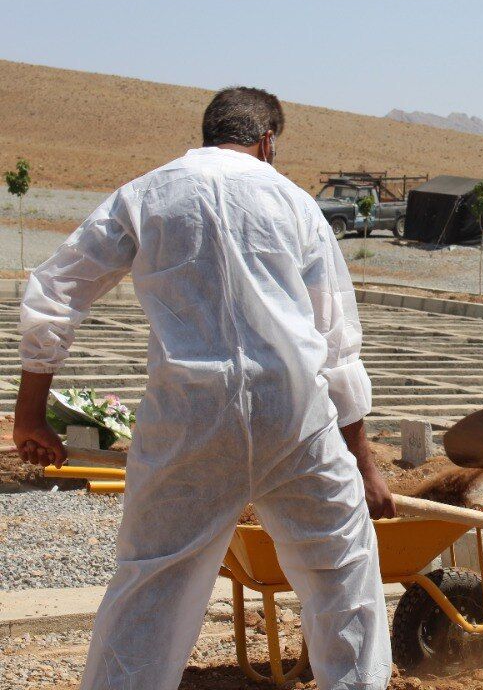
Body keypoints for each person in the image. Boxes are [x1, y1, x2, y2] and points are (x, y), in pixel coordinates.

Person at [14, 88, 395, 690]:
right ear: (267, 141)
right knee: (344, 579)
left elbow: (54, 294)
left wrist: (29, 415)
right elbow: (337, 346)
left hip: (190, 420)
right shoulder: (295, 202)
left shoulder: (146, 195)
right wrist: (364, 466)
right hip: (294, 419)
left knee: (151, 586)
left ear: (208, 131)